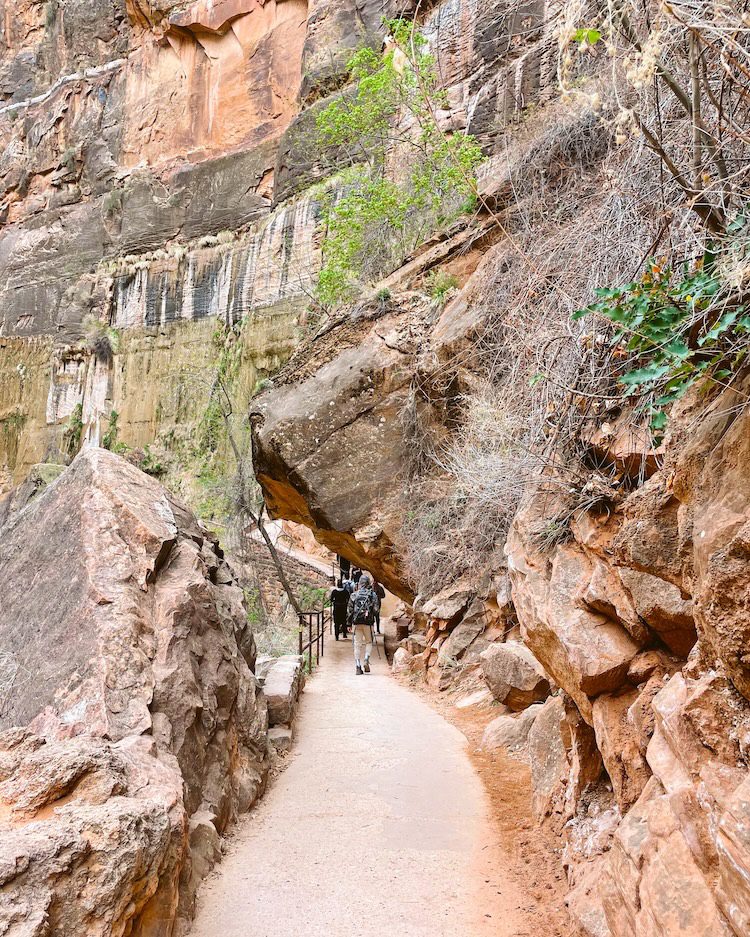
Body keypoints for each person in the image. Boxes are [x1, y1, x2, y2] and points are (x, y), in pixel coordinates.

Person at [347, 572, 378, 675]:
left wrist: (348, 624)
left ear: (359, 583)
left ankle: (357, 666)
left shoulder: (354, 595)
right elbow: (376, 610)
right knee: (369, 642)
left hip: (357, 622)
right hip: (368, 623)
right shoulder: (372, 595)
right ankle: (366, 659)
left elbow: (350, 611)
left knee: (357, 644)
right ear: (368, 583)